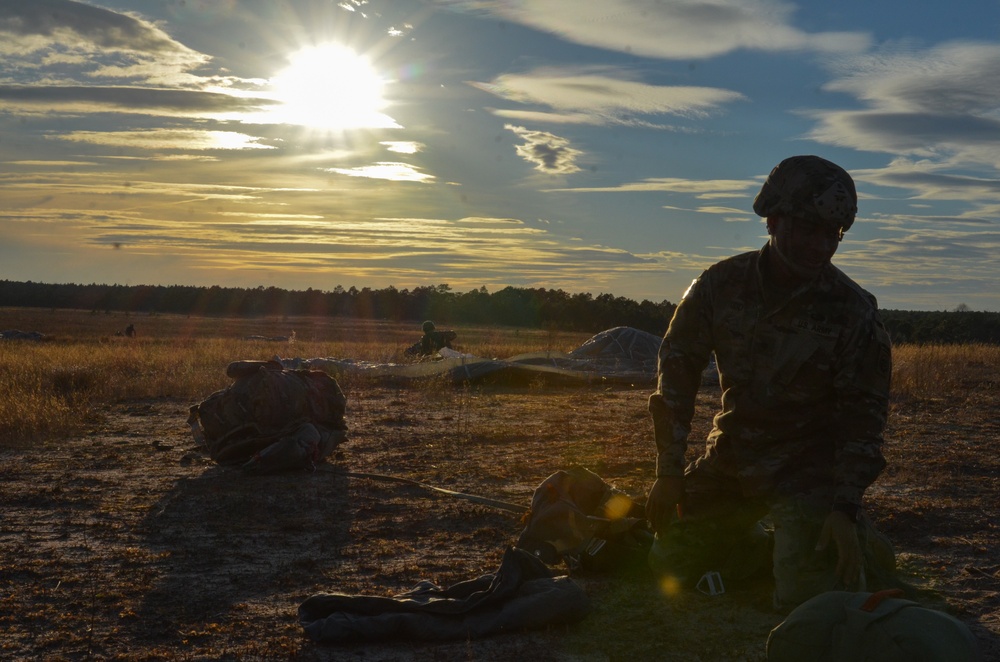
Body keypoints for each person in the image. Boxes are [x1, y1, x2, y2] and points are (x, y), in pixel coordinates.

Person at [644, 155, 894, 610]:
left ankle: (857, 547)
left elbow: (864, 416)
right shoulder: (718, 286)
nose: (820, 247)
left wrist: (844, 508)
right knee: (670, 560)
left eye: (831, 236)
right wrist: (669, 473)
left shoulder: (853, 310)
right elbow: (675, 376)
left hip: (810, 475)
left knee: (809, 602)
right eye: (808, 230)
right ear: (773, 221)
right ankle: (776, 551)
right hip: (734, 461)